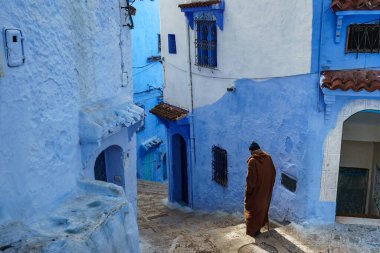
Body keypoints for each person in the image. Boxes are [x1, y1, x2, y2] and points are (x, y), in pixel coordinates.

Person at [244, 141, 276, 237]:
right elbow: (273, 173)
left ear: (252, 151)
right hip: (266, 191)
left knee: (252, 211)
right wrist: (268, 186)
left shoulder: (252, 161)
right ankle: (258, 229)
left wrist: (248, 192)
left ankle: (252, 232)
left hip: (256, 193)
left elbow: (250, 180)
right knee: (262, 210)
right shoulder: (268, 158)